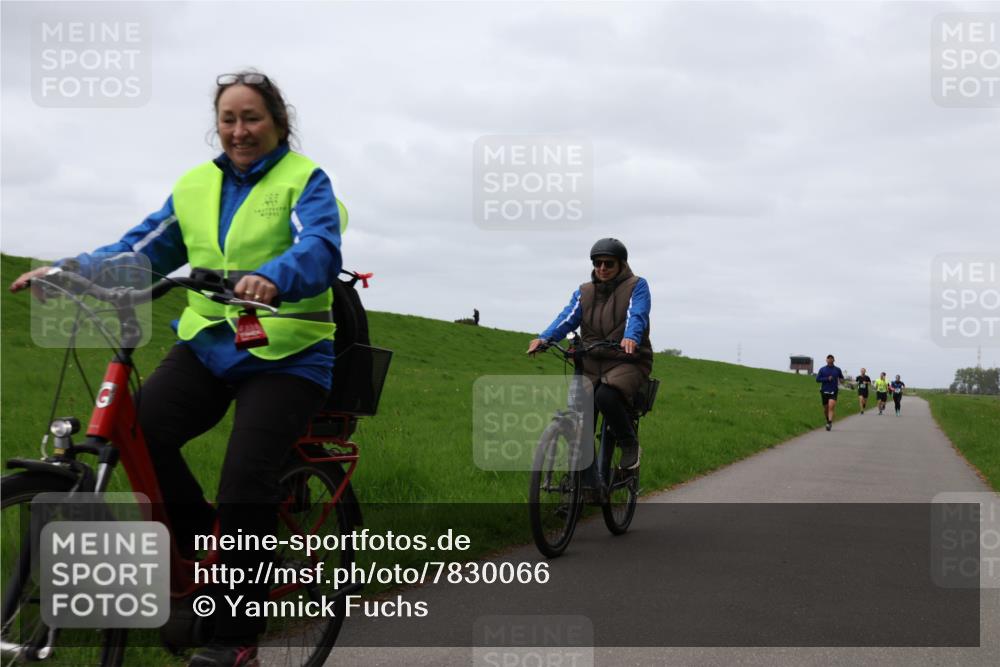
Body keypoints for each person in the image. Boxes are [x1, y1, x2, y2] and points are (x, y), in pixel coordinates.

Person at [10, 70, 343, 667]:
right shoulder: (193, 186)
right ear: (216, 126)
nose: (239, 131)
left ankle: (234, 635)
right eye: (228, 119)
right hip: (210, 341)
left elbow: (318, 245)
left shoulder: (304, 180)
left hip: (288, 351)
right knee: (144, 433)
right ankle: (201, 555)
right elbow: (142, 247)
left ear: (278, 123)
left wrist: (275, 277)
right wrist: (68, 270)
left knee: (245, 479)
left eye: (252, 118)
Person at [527, 238, 652, 470]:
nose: (602, 268)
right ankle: (584, 483)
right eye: (597, 263)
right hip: (592, 359)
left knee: (605, 396)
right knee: (581, 413)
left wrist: (631, 337)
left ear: (621, 265)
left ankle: (629, 444)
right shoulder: (584, 292)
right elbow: (566, 318)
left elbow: (638, 314)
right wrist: (545, 338)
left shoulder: (637, 285)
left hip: (627, 359)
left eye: (608, 263)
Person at [816, 354, 844, 431]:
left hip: (834, 390)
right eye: (829, 358)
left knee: (831, 406)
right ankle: (828, 420)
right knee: (826, 409)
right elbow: (817, 379)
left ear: (834, 360)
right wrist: (827, 379)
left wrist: (842, 381)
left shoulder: (837, 369)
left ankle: (829, 422)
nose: (830, 360)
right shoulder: (822, 369)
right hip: (824, 390)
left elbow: (841, 378)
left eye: (831, 358)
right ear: (826, 360)